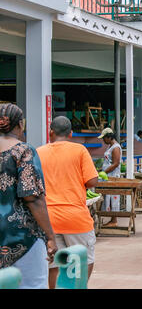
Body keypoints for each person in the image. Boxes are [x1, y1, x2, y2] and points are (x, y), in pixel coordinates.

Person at [37, 116, 99, 289]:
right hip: (76, 218)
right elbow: (92, 181)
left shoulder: (39, 152)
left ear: (51, 133)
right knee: (84, 259)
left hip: (48, 219)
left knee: (53, 263)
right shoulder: (79, 151)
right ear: (71, 134)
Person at [0, 103, 57, 289]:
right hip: (22, 236)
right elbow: (32, 197)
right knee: (33, 285)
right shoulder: (23, 151)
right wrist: (50, 236)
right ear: (20, 125)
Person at [98, 128, 122, 227]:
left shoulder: (116, 147)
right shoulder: (110, 146)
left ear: (109, 137)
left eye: (104, 138)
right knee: (108, 197)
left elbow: (116, 163)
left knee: (113, 197)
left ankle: (114, 220)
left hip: (113, 176)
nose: (103, 140)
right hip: (107, 176)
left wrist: (104, 171)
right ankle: (112, 219)